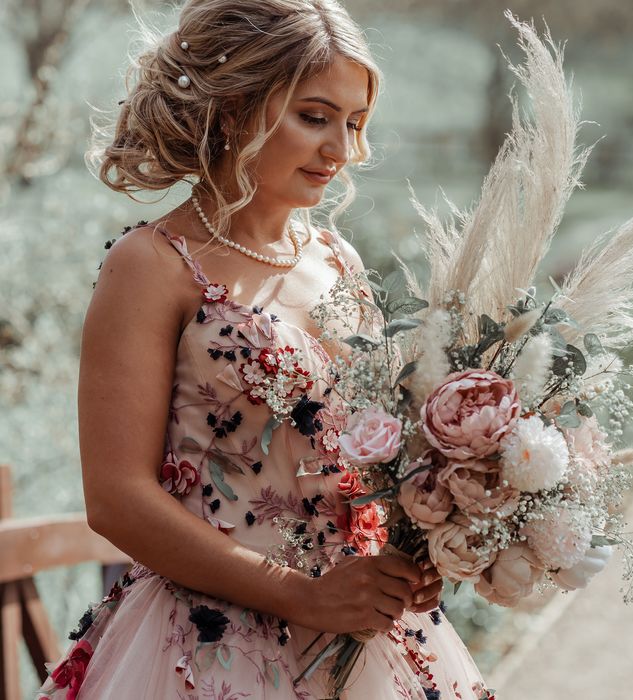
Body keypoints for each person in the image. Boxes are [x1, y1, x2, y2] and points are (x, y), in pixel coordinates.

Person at [37, 1, 495, 698]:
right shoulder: (151, 265)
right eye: (314, 117)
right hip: (210, 639)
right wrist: (299, 596)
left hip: (363, 633)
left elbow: (365, 452)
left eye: (354, 123)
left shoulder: (338, 260)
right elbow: (117, 500)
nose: (340, 150)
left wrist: (413, 545)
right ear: (233, 111)